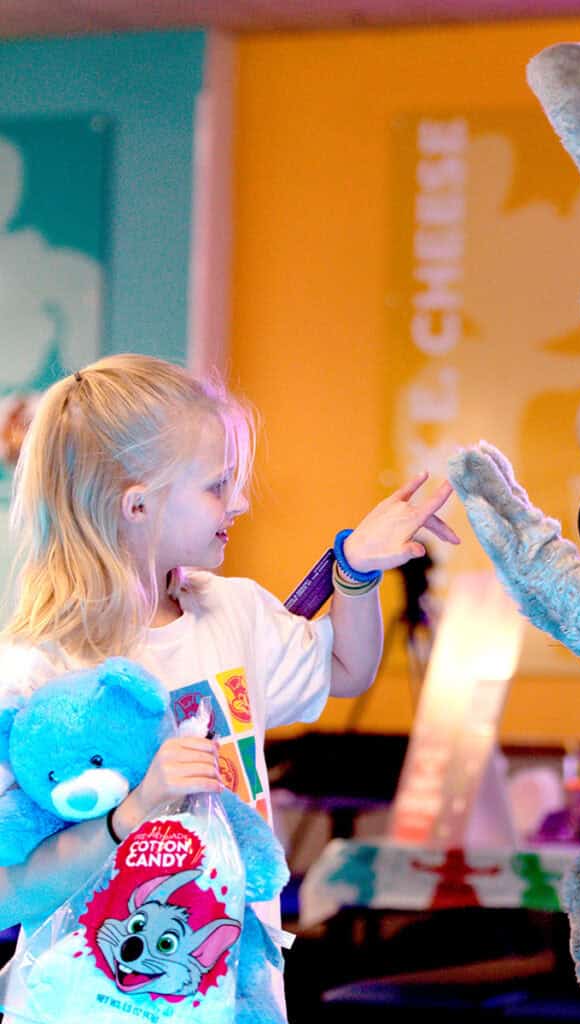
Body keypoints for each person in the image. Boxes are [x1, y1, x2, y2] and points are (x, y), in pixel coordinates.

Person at [0, 353, 459, 1015]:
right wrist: (133, 811)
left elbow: (345, 670)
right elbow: (9, 890)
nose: (239, 502)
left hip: (233, 998)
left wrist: (356, 571)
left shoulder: (233, 610)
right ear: (138, 504)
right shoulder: (38, 665)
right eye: (217, 485)